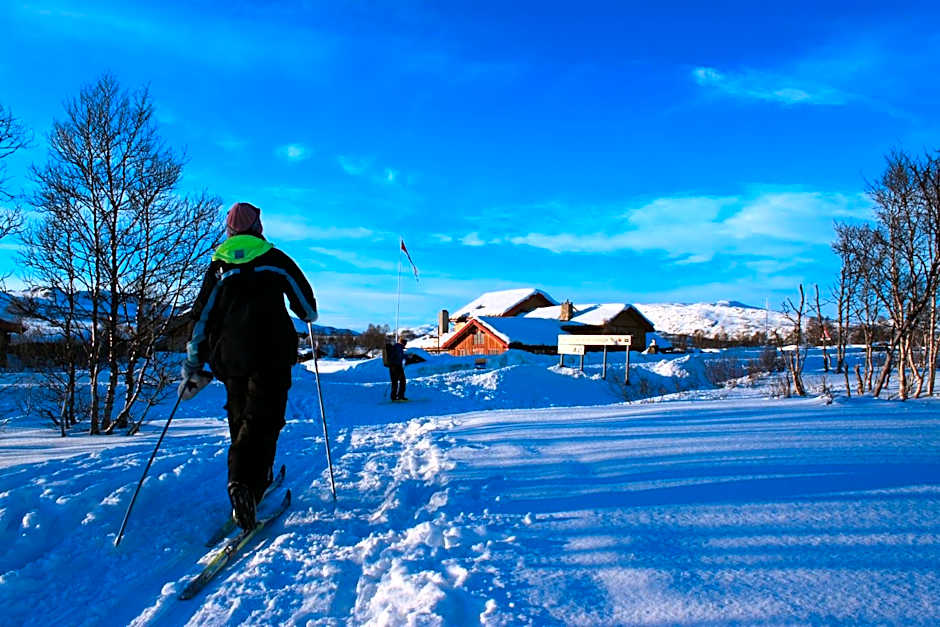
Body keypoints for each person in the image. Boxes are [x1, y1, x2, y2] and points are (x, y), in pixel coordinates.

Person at [178, 202, 318, 530]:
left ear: (229, 231)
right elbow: (307, 307)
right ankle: (245, 483)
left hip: (229, 357)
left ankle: (249, 484)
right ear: (258, 228)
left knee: (241, 417)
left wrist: (194, 360)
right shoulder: (275, 259)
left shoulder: (218, 266)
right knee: (265, 420)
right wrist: (303, 313)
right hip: (271, 353)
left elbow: (200, 317)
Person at [387, 336, 407, 401]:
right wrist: (407, 356)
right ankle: (400, 396)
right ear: (403, 343)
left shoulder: (395, 347)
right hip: (397, 366)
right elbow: (399, 356)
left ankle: (393, 397)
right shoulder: (399, 347)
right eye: (405, 342)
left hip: (391, 366)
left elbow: (398, 355)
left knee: (394, 382)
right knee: (402, 381)